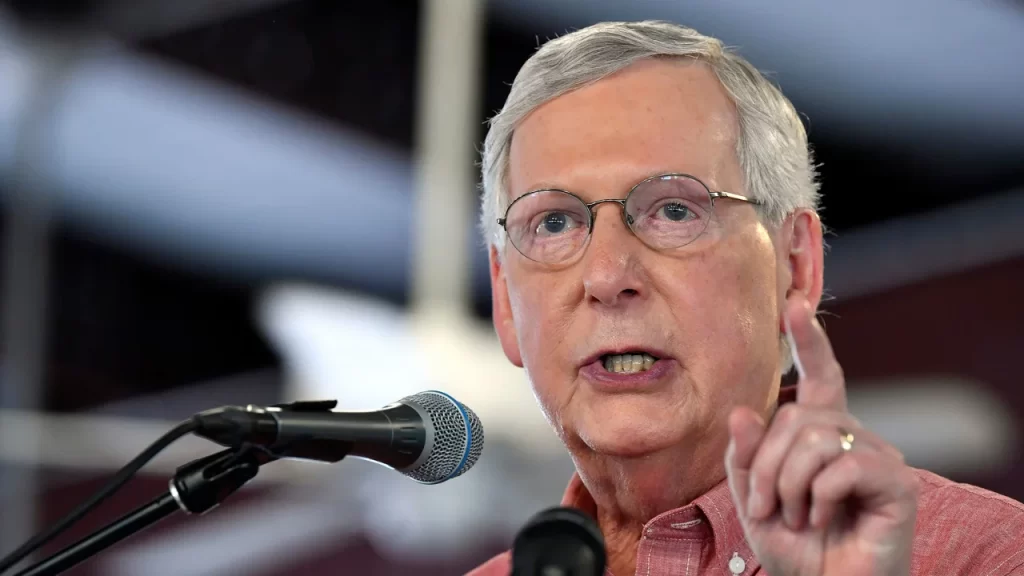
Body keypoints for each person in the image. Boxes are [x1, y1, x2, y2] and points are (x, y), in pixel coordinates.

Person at [466, 20, 1024, 576]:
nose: (609, 276)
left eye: (674, 211)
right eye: (555, 222)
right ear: (506, 301)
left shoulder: (992, 557)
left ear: (795, 268)